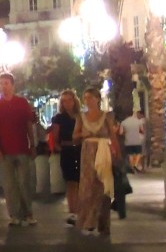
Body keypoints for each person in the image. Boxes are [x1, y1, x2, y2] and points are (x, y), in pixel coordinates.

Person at [0, 72, 38, 227]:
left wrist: (33, 144)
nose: (4, 86)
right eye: (1, 83)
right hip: (5, 151)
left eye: (6, 83)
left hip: (22, 147)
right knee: (9, 185)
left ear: (12, 85)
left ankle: (28, 212)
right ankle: (15, 214)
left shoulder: (22, 103)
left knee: (25, 182)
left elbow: (28, 124)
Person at [73, 87, 120, 236]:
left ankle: (103, 222)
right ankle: (87, 221)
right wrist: (82, 133)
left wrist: (117, 154)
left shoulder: (106, 116)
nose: (88, 101)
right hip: (88, 152)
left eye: (90, 98)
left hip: (103, 151)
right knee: (88, 186)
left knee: (103, 186)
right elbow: (74, 136)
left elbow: (113, 136)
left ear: (97, 99)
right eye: (85, 98)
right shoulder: (81, 117)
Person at [50, 89, 81, 225]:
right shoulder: (59, 118)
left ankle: (80, 210)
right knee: (70, 181)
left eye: (70, 100)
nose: (67, 103)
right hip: (67, 149)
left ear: (75, 101)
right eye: (64, 101)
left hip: (80, 149)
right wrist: (59, 148)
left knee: (80, 180)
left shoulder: (80, 116)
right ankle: (72, 211)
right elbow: (55, 137)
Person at [120, 109, 145, 174]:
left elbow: (121, 132)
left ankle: (132, 167)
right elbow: (142, 130)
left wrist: (125, 133)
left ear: (126, 115)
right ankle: (135, 164)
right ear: (132, 114)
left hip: (128, 141)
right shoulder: (138, 121)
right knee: (138, 153)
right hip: (137, 140)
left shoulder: (123, 122)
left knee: (130, 154)